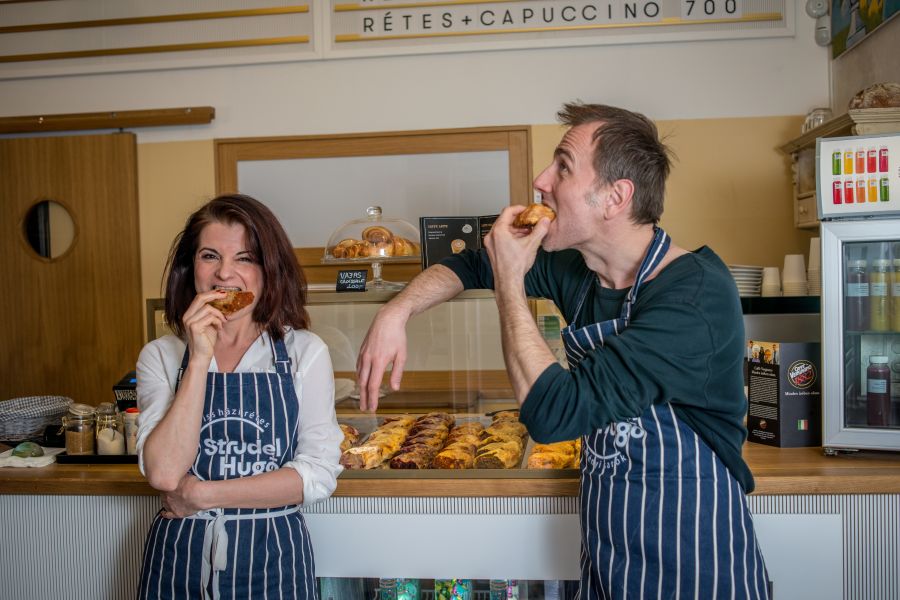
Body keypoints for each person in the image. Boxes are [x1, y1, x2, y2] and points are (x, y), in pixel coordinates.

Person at [357, 103, 770, 598]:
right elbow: (470, 267)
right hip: (608, 552)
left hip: (693, 561)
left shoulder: (694, 295)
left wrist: (511, 279)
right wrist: (396, 311)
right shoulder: (579, 270)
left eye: (563, 167)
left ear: (615, 197)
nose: (540, 180)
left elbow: (554, 414)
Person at [135, 194, 342, 599]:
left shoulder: (304, 352)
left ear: (268, 270)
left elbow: (316, 475)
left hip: (274, 559)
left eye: (244, 258)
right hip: (179, 559)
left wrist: (203, 494)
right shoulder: (161, 356)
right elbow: (164, 474)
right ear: (190, 268)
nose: (224, 273)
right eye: (210, 256)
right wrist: (199, 358)